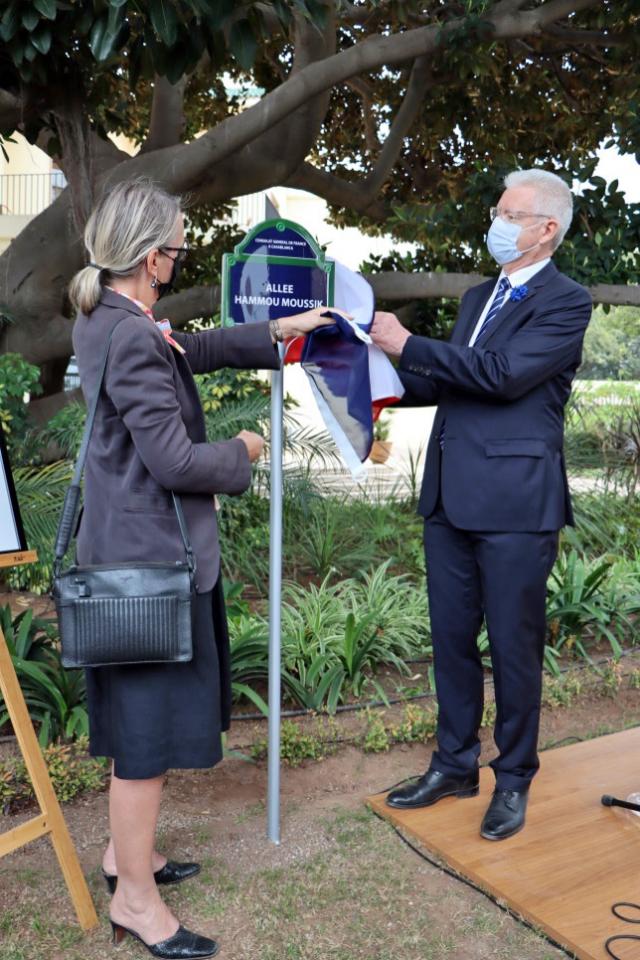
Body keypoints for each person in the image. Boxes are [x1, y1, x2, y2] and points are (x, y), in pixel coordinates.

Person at [69, 179, 345, 957]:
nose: (180, 259)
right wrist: (247, 452)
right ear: (153, 258)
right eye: (179, 249)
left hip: (133, 557)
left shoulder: (110, 317)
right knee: (146, 741)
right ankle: (136, 900)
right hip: (151, 567)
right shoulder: (128, 334)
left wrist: (275, 332)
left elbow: (187, 351)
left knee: (138, 728)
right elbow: (176, 459)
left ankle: (129, 858)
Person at [371, 169, 592, 841]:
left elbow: (499, 377)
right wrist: (370, 379)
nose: (495, 223)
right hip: (450, 496)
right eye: (497, 211)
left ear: (545, 228)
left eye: (509, 213)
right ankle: (453, 765)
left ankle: (515, 777)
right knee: (450, 644)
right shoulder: (477, 298)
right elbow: (448, 379)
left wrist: (409, 343)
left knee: (515, 650)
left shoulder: (565, 302)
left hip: (517, 507)